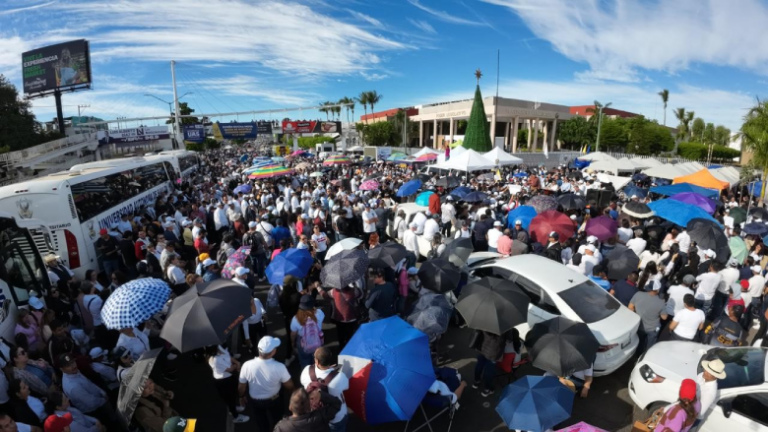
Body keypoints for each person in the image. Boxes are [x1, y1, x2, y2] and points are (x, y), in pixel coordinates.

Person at [238, 336, 294, 432]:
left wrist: (241, 396)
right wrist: (293, 397)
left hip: (255, 401)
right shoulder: (280, 367)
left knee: (261, 423)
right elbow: (289, 386)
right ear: (273, 352)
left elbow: (241, 386)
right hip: (275, 400)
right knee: (278, 421)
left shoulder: (246, 365)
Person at [299, 347, 349, 432]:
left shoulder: (306, 370)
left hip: (315, 416)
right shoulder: (340, 376)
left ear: (317, 361)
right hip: (336, 417)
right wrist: (332, 371)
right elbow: (346, 387)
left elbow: (302, 382)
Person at [204, 345, 249, 423]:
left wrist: (236, 362)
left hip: (228, 377)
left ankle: (233, 408)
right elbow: (230, 368)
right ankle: (236, 416)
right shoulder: (215, 360)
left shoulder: (219, 348)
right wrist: (237, 365)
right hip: (223, 381)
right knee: (230, 399)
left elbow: (228, 356)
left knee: (233, 393)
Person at [273, 388, 341, 432]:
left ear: (290, 407)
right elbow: (336, 404)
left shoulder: (281, 427)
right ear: (308, 407)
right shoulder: (320, 417)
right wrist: (320, 394)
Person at [629, 278, 668, 353]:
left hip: (640, 326)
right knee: (649, 347)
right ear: (658, 290)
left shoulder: (638, 294)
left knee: (639, 343)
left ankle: (638, 355)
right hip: (652, 329)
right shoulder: (661, 302)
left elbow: (630, 307)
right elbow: (664, 317)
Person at [320, 284, 362, 351]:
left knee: (341, 337)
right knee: (351, 337)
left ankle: (342, 351)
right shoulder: (354, 290)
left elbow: (325, 295)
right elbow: (360, 294)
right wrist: (355, 286)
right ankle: (350, 351)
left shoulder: (334, 291)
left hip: (340, 319)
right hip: (352, 318)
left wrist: (318, 288)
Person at [696, 358, 726, 426]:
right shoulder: (701, 375)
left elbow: (699, 412)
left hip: (693, 418)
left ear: (716, 376)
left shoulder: (710, 393)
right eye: (706, 369)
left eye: (709, 372)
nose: (705, 372)